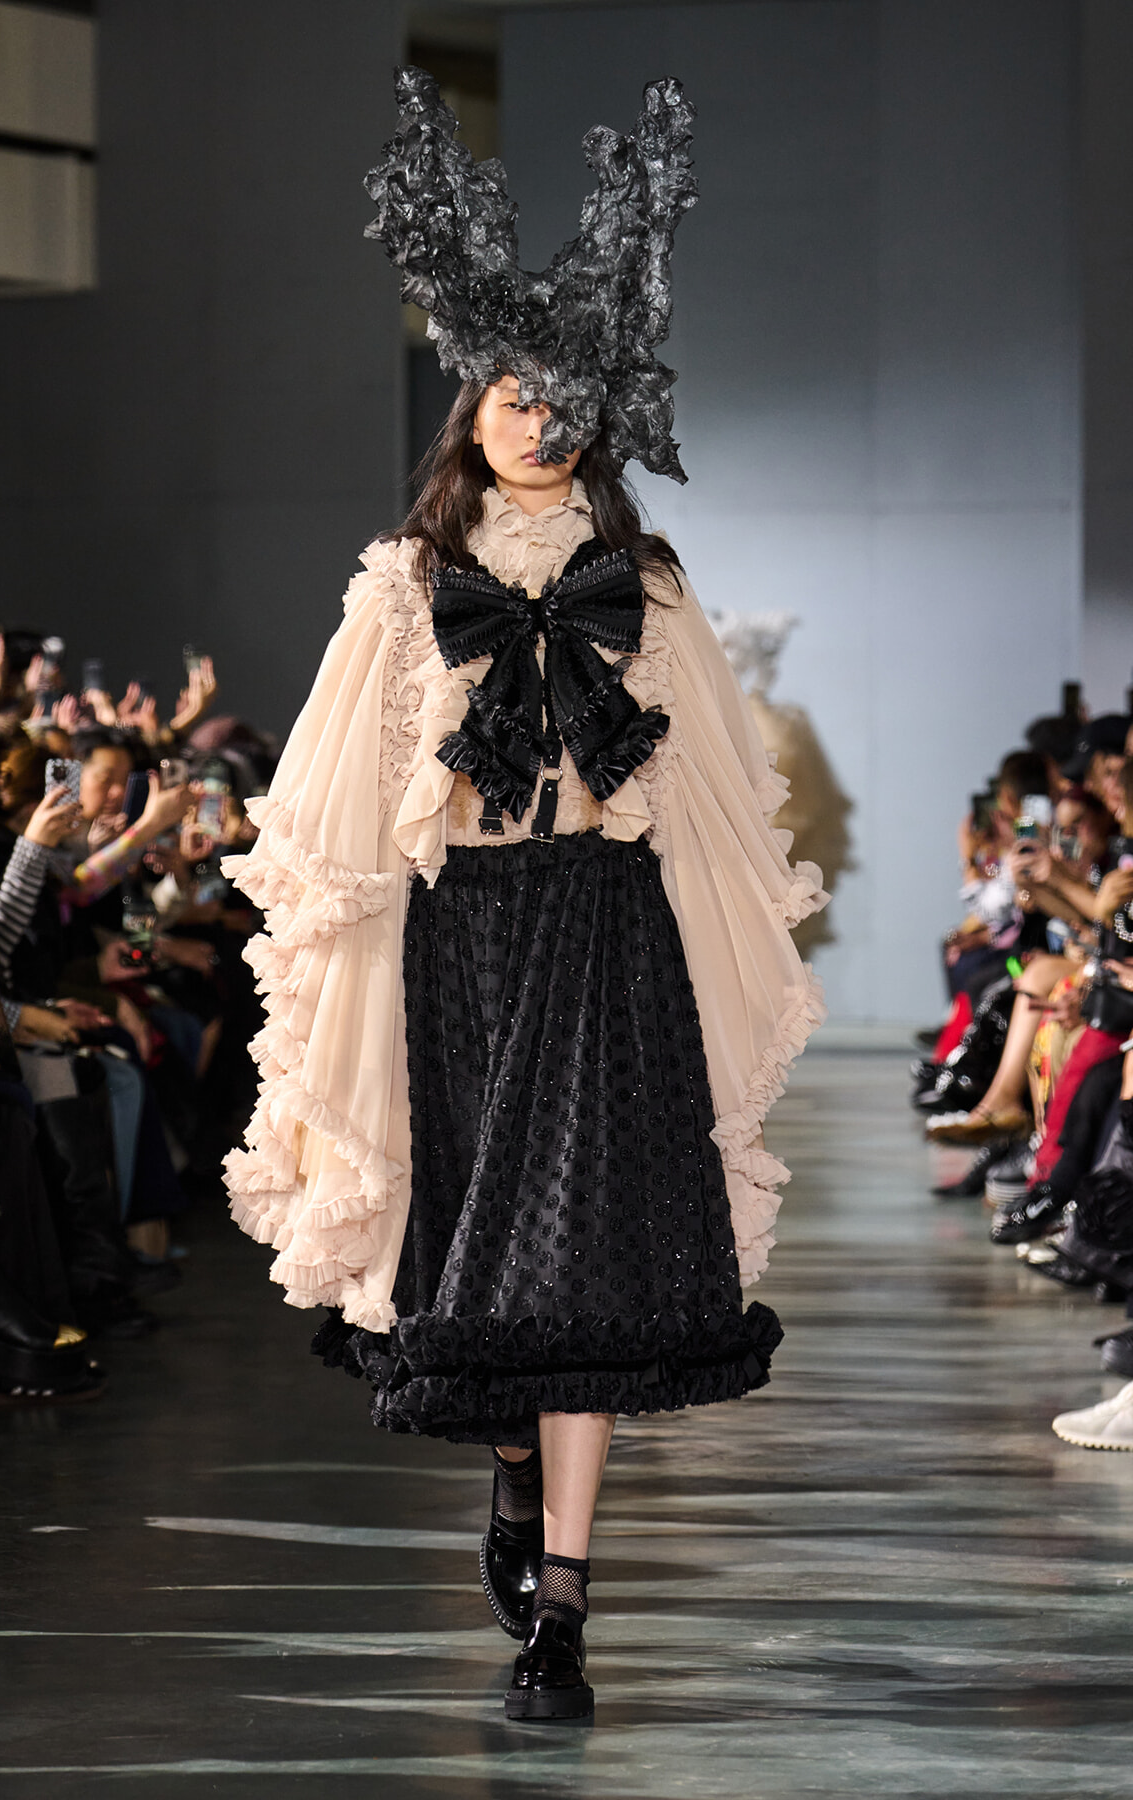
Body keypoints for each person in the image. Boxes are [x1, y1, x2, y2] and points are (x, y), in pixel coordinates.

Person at [224, 69, 827, 1723]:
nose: (537, 420)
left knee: (591, 1266)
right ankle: (508, 1462)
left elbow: (704, 792)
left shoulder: (656, 587)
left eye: (563, 399)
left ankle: (563, 1605)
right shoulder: (408, 586)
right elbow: (337, 793)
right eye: (509, 393)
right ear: (468, 410)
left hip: (607, 936)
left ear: (597, 419)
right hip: (463, 946)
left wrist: (732, 962)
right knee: (486, 1257)